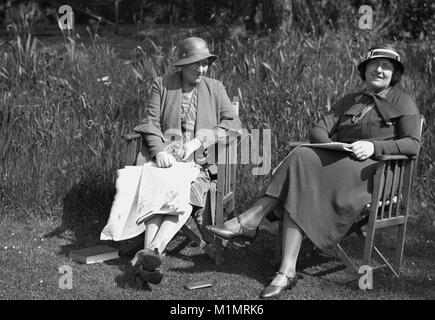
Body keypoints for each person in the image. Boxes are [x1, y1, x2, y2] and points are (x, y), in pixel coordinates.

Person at [206, 44, 421, 299]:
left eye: (387, 66)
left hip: (374, 174)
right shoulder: (349, 101)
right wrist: (333, 145)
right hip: (339, 165)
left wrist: (374, 145)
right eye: (375, 65)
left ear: (394, 74)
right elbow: (318, 129)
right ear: (364, 71)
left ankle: (251, 220)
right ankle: (286, 270)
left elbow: (412, 144)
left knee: (301, 163)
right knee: (302, 162)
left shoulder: (403, 101)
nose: (380, 69)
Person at [131, 37, 242, 285]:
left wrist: (200, 140)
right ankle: (150, 257)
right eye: (196, 64)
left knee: (183, 193)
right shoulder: (162, 85)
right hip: (168, 162)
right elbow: (151, 123)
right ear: (182, 64)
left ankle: (150, 253)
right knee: (159, 187)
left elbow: (233, 124)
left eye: (205, 64)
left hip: (200, 165)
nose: (201, 69)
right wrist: (159, 150)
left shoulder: (216, 88)